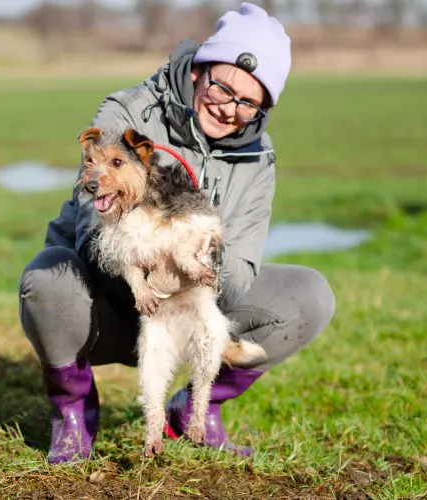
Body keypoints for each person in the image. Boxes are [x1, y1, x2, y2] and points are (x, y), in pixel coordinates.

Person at [19, 2, 336, 464]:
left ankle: (192, 409)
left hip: (192, 304)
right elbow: (92, 222)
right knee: (46, 278)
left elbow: (242, 265)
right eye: (223, 87)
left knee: (312, 294)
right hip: (108, 299)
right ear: (198, 71)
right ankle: (73, 416)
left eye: (248, 102)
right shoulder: (126, 114)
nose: (229, 109)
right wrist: (147, 267)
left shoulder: (258, 158)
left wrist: (196, 268)